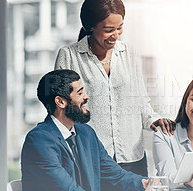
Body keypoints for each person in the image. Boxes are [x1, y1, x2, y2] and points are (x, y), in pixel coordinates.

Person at [55, 0, 173, 178]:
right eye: (109, 29)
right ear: (91, 27)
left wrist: (153, 120)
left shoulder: (129, 53)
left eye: (120, 28)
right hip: (90, 158)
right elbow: (61, 110)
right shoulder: (69, 56)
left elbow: (141, 101)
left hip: (132, 157)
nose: (116, 35)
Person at [21, 70, 150, 191]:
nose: (86, 97)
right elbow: (67, 189)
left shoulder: (86, 133)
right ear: (60, 102)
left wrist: (145, 183)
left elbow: (115, 175)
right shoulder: (39, 140)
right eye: (80, 92)